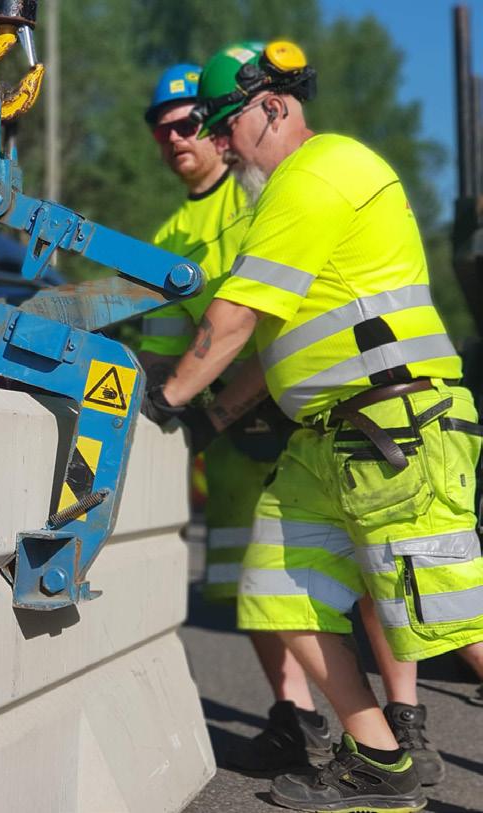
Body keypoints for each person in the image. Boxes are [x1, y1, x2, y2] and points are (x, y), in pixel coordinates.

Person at [144, 40, 483, 812]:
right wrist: (213, 418)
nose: (221, 145)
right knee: (277, 588)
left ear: (272, 105)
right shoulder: (288, 191)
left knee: (455, 618)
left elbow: (237, 315)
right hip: (330, 440)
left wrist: (171, 398)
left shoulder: (317, 172)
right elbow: (275, 343)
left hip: (397, 427)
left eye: (224, 126)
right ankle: (382, 759)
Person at [139, 61, 333, 774]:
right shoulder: (169, 234)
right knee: (252, 585)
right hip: (226, 440)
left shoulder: (261, 194)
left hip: (293, 415)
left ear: (221, 129)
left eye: (190, 123)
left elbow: (260, 316)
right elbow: (163, 350)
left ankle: (395, 727)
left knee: (347, 583)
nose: (176, 138)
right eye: (162, 129)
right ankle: (297, 717)